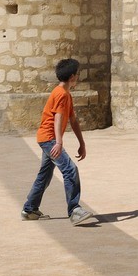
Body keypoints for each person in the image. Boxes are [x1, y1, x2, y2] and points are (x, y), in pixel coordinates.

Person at [22, 58, 97, 225]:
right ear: (72, 77)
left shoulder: (65, 94)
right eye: (78, 74)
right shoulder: (61, 94)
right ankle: (75, 210)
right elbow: (58, 117)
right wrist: (59, 142)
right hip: (49, 139)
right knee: (70, 170)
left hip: (47, 138)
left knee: (44, 176)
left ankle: (29, 209)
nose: (78, 77)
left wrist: (82, 143)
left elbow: (73, 120)